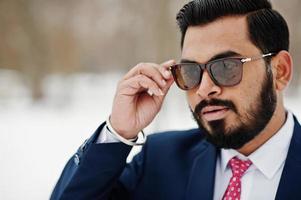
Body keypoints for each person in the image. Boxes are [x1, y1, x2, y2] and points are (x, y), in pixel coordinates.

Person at [50, 0, 301, 199]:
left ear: (279, 71)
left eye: (226, 67)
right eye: (191, 71)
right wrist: (119, 131)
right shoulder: (160, 161)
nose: (204, 89)